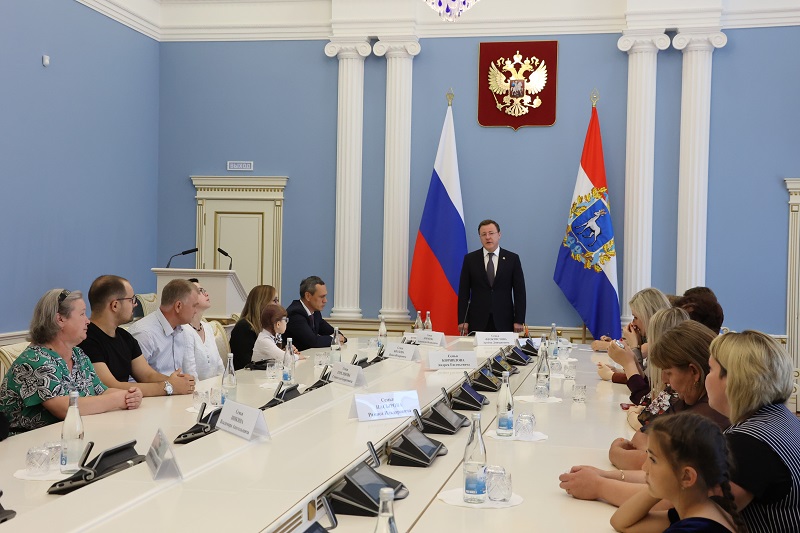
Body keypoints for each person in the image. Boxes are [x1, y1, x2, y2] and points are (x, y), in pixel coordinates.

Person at [559, 321, 730, 503]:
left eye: (669, 373)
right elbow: (643, 438)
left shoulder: (709, 413)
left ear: (694, 372)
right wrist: (604, 475)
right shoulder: (687, 397)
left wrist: (610, 467)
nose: (664, 380)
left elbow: (662, 479)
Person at [0, 289, 142, 433]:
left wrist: (130, 395)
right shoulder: (35, 360)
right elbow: (65, 408)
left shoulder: (78, 354)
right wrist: (117, 399)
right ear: (60, 319)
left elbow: (101, 391)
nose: (87, 321)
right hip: (25, 442)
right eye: (82, 314)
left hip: (65, 436)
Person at [707, 331, 800, 533]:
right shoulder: (782, 419)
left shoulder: (749, 444)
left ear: (731, 379)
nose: (707, 377)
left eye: (710, 369)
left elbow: (700, 512)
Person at [610, 413, 743, 532]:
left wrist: (659, 485)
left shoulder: (696, 527)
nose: (644, 467)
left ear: (687, 477)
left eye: (653, 460)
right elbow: (620, 523)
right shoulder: (699, 511)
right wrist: (659, 486)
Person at [78, 275, 195, 396]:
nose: (135, 304)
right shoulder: (86, 339)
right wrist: (169, 387)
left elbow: (147, 375)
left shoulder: (125, 336)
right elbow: (110, 386)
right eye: (131, 299)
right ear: (115, 305)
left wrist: (176, 381)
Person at [457, 219, 526, 334]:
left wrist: (519, 320)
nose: (488, 237)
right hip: (477, 320)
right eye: (483, 234)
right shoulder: (470, 259)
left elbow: (520, 292)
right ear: (480, 237)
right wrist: (463, 320)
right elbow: (463, 292)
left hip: (505, 320)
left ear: (499, 235)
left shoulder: (512, 259)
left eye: (491, 233)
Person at [596, 287, 671, 383]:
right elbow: (645, 375)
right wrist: (619, 371)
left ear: (648, 317)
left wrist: (634, 346)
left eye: (635, 317)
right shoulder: (656, 340)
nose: (633, 323)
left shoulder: (663, 345)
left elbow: (642, 384)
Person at [128, 279, 199, 379]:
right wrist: (171, 384)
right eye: (194, 306)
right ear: (178, 306)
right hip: (156, 389)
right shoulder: (144, 333)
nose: (196, 311)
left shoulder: (182, 330)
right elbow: (131, 380)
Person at [284, 276, 346, 351]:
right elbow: (313, 341)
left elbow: (334, 332)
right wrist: (335, 338)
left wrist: (339, 337)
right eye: (321, 297)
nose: (325, 300)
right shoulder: (295, 314)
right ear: (308, 296)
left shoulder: (315, 312)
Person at [230, 285, 278, 369]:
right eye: (275, 301)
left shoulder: (267, 325)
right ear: (262, 303)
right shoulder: (244, 328)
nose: (278, 305)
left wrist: (286, 351)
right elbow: (247, 363)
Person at [186, 278, 224, 380]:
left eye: (204, 291)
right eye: (200, 291)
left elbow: (219, 365)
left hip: (215, 387)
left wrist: (223, 384)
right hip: (195, 389)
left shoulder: (207, 327)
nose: (206, 294)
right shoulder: (183, 331)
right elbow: (190, 373)